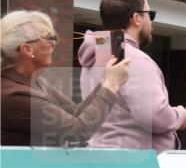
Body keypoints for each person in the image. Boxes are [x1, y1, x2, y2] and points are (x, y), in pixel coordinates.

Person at [78, 0, 186, 151]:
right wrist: (181, 115)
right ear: (136, 18)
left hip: (103, 155)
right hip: (135, 164)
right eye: (149, 15)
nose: (151, 22)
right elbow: (154, 116)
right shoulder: (134, 60)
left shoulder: (97, 55)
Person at [1, 10, 130, 146]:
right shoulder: (14, 95)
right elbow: (77, 131)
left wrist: (106, 80)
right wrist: (111, 84)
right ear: (27, 49)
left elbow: (74, 113)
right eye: (50, 38)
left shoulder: (36, 82)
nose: (54, 44)